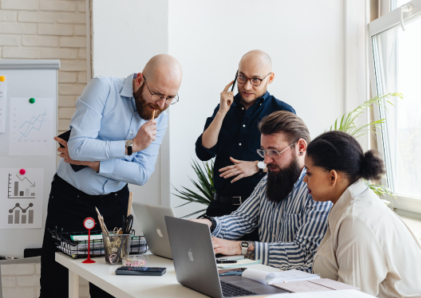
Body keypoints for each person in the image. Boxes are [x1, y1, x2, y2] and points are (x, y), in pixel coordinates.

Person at [40, 54, 182, 298]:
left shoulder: (161, 116)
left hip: (115, 204)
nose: (161, 104)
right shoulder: (103, 88)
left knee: (110, 287)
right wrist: (131, 146)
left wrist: (94, 163)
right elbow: (77, 146)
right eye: (157, 94)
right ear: (139, 80)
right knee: (56, 286)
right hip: (69, 200)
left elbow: (141, 173)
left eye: (170, 98)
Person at [304, 131, 421, 298]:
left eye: (309, 173)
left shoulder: (355, 220)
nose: (305, 179)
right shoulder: (353, 206)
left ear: (332, 177)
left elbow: (353, 296)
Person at [192, 111, 332, 272]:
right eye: (264, 151)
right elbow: (241, 219)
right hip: (261, 276)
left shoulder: (317, 191)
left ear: (300, 147)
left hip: (295, 285)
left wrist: (239, 247)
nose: (266, 160)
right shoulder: (267, 181)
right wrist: (208, 224)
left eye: (274, 152)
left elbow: (303, 253)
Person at [195, 50, 296, 235]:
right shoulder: (225, 106)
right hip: (220, 208)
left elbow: (293, 163)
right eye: (242, 77)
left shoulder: (282, 111)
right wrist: (222, 113)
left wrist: (257, 166)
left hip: (261, 214)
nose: (247, 86)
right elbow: (203, 152)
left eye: (256, 79)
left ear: (270, 78)